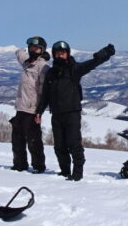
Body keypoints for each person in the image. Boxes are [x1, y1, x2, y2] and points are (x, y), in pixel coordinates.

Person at [36, 41, 115, 181]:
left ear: (67, 54)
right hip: (56, 114)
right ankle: (65, 170)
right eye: (57, 53)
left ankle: (77, 173)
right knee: (59, 145)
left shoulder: (74, 69)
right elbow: (46, 95)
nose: (60, 55)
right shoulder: (51, 73)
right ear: (54, 55)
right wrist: (39, 111)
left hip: (72, 112)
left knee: (74, 143)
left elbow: (92, 63)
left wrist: (105, 54)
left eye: (63, 53)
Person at [11, 36, 50, 173]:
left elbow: (44, 90)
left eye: (37, 48)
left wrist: (39, 110)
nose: (33, 50)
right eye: (31, 47)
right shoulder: (27, 63)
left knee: (34, 141)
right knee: (17, 140)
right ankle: (19, 165)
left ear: (42, 50)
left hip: (33, 110)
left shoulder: (42, 66)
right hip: (20, 108)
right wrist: (21, 49)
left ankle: (39, 166)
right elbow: (19, 53)